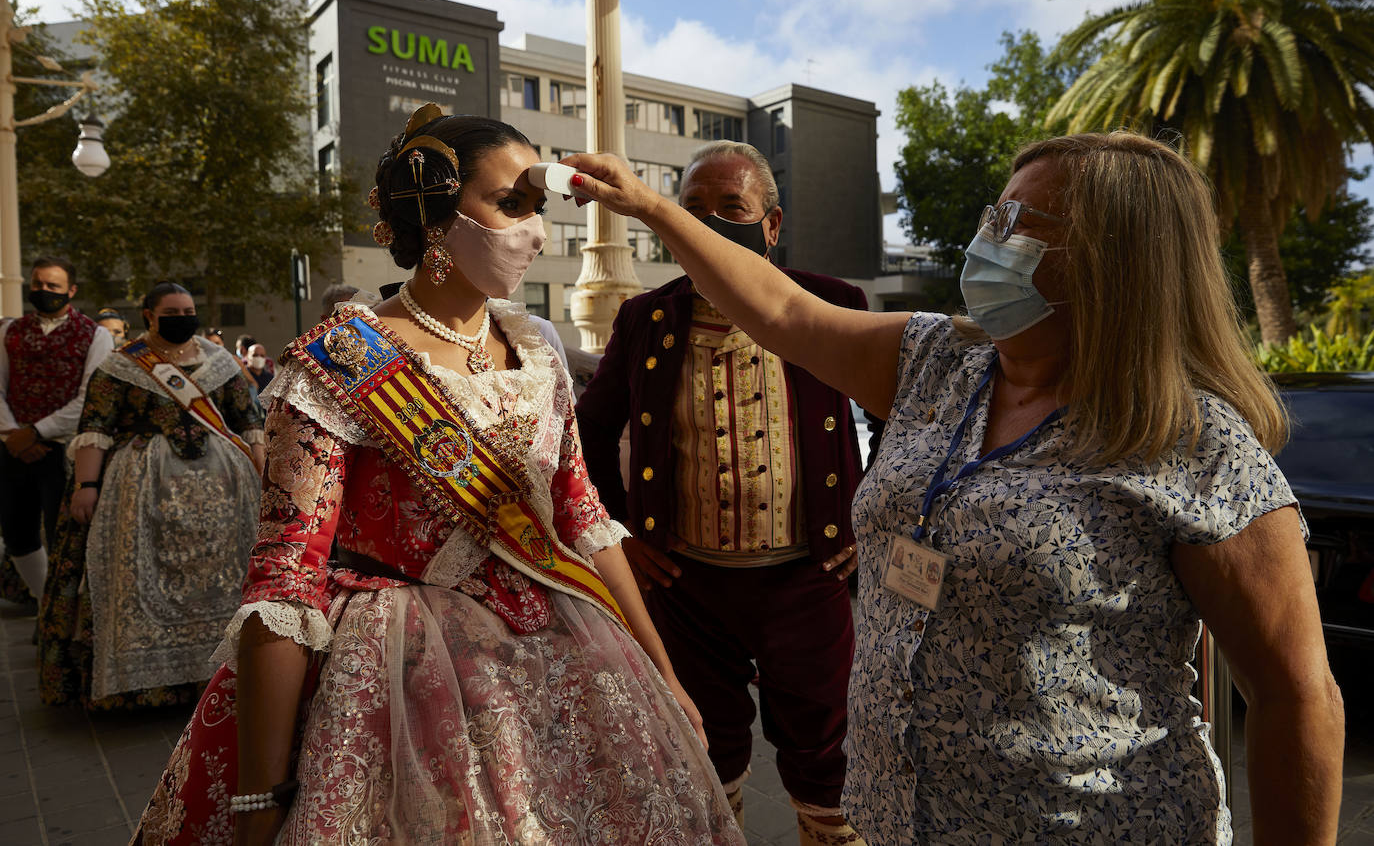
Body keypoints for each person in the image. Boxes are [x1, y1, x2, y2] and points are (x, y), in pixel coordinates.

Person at [559, 131, 1345, 845]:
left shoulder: (1192, 441)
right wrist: (649, 207)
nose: (986, 244)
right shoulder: (939, 361)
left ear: (1116, 257)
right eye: (991, 218)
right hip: (902, 821)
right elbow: (780, 309)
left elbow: (1297, 699)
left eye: (1020, 225)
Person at [132, 105, 743, 845]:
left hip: (559, 648)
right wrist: (258, 799)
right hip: (397, 672)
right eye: (509, 205)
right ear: (436, 216)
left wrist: (664, 672)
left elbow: (582, 515)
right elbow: (286, 580)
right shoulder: (338, 363)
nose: (534, 230)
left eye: (537, 207)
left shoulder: (534, 353)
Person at [576, 140, 871, 844]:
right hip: (687, 590)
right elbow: (586, 432)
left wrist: (874, 526)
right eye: (693, 210)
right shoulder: (646, 319)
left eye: (730, 208)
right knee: (704, 752)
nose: (709, 223)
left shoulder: (831, 303)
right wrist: (621, 532)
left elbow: (901, 422)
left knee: (828, 758)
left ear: (771, 225)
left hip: (808, 579)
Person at [37, 281, 265, 709]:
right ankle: (144, 685)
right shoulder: (122, 365)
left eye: (188, 310)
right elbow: (96, 429)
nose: (183, 318)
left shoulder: (220, 362)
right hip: (141, 490)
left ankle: (226, 670)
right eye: (172, 312)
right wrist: (86, 487)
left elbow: (249, 423)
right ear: (149, 315)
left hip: (227, 494)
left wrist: (264, 474)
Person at [0, 258, 113, 602]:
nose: (44, 291)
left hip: (67, 451)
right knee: (17, 535)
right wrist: (11, 435)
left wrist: (35, 432)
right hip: (13, 447)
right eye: (38, 284)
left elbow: (90, 398)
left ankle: (62, 612)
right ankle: (46, 605)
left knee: (64, 536)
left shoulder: (96, 334)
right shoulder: (8, 330)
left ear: (71, 290)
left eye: (53, 286)